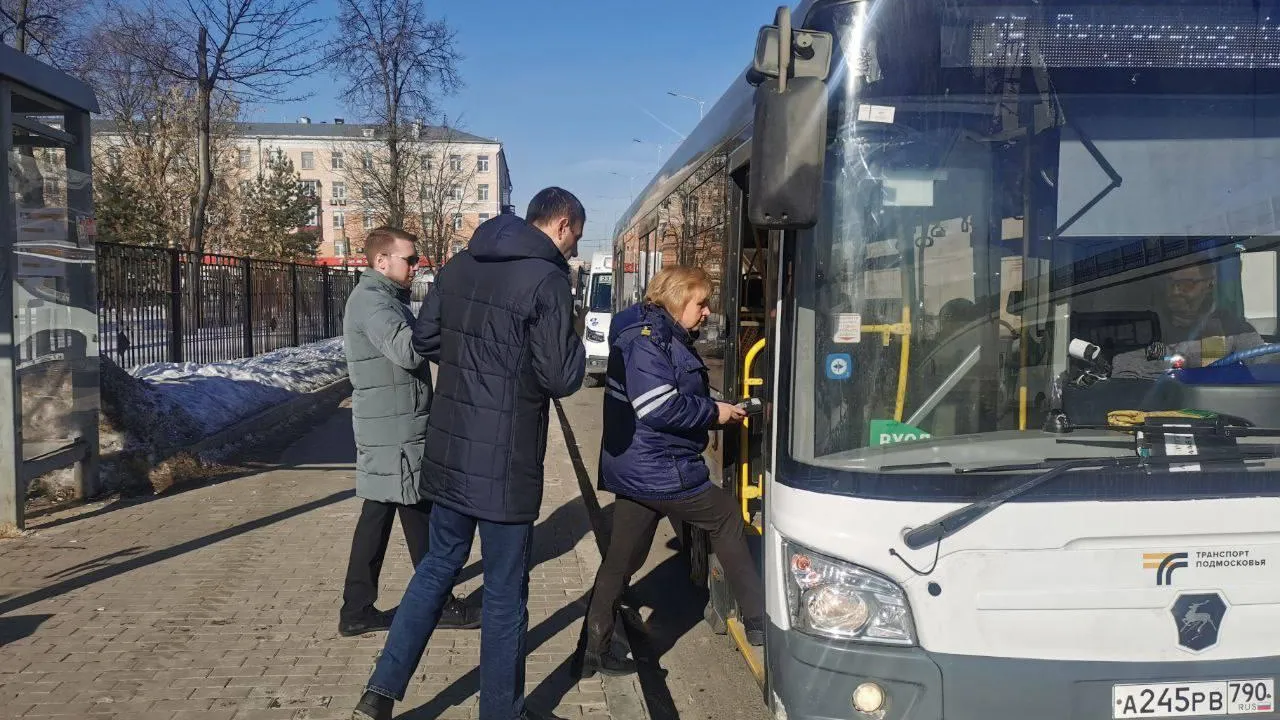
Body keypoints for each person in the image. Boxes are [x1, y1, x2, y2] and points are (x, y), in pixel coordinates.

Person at [353, 190, 587, 720]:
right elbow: (562, 377)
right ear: (564, 224)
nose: (574, 247)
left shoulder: (458, 267)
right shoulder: (548, 279)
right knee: (505, 592)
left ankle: (381, 691)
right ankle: (500, 712)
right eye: (575, 236)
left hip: (450, 446)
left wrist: (472, 356)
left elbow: (427, 339)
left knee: (436, 566)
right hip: (506, 460)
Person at [572, 266, 765, 680]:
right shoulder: (649, 339)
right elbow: (658, 407)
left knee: (621, 559)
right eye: (701, 302)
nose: (708, 311)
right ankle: (760, 621)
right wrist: (717, 412)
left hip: (639, 468)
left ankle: (593, 650)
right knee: (727, 516)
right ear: (678, 299)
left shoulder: (653, 332)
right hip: (661, 467)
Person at [339, 226, 481, 637]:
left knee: (380, 518)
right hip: (395, 432)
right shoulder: (373, 302)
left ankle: (357, 610)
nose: (417, 266)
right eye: (410, 259)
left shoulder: (384, 299)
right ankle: (436, 604)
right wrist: (439, 305)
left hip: (394, 427)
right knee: (420, 516)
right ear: (382, 262)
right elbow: (406, 349)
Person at [1111, 262, 1276, 378]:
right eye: (1170, 283)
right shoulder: (1148, 327)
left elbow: (1263, 363)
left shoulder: (1232, 328)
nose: (1175, 292)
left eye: (1186, 284)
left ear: (1209, 284)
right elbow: (1126, 372)